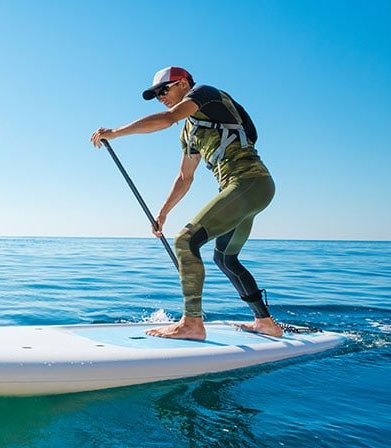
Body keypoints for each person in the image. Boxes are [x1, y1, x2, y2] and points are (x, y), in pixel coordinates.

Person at [90, 66, 282, 340]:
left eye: (163, 90)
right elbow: (184, 177)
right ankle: (266, 322)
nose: (161, 97)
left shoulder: (205, 93)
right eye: (156, 95)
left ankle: (192, 324)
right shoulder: (189, 132)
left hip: (250, 183)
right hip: (244, 190)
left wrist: (116, 133)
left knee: (185, 241)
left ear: (182, 84)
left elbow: (169, 118)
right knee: (225, 258)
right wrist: (162, 213)